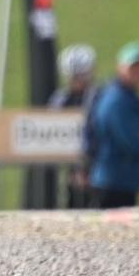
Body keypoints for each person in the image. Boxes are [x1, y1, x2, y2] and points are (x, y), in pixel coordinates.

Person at [88, 42, 139, 209]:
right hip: (112, 182)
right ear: (119, 67)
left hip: (126, 181)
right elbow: (132, 141)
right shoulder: (116, 101)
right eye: (132, 68)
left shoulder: (135, 100)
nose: (137, 74)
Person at [49, 44, 98, 209]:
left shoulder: (98, 96)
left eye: (81, 75)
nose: (78, 80)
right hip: (71, 160)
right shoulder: (60, 99)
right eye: (74, 77)